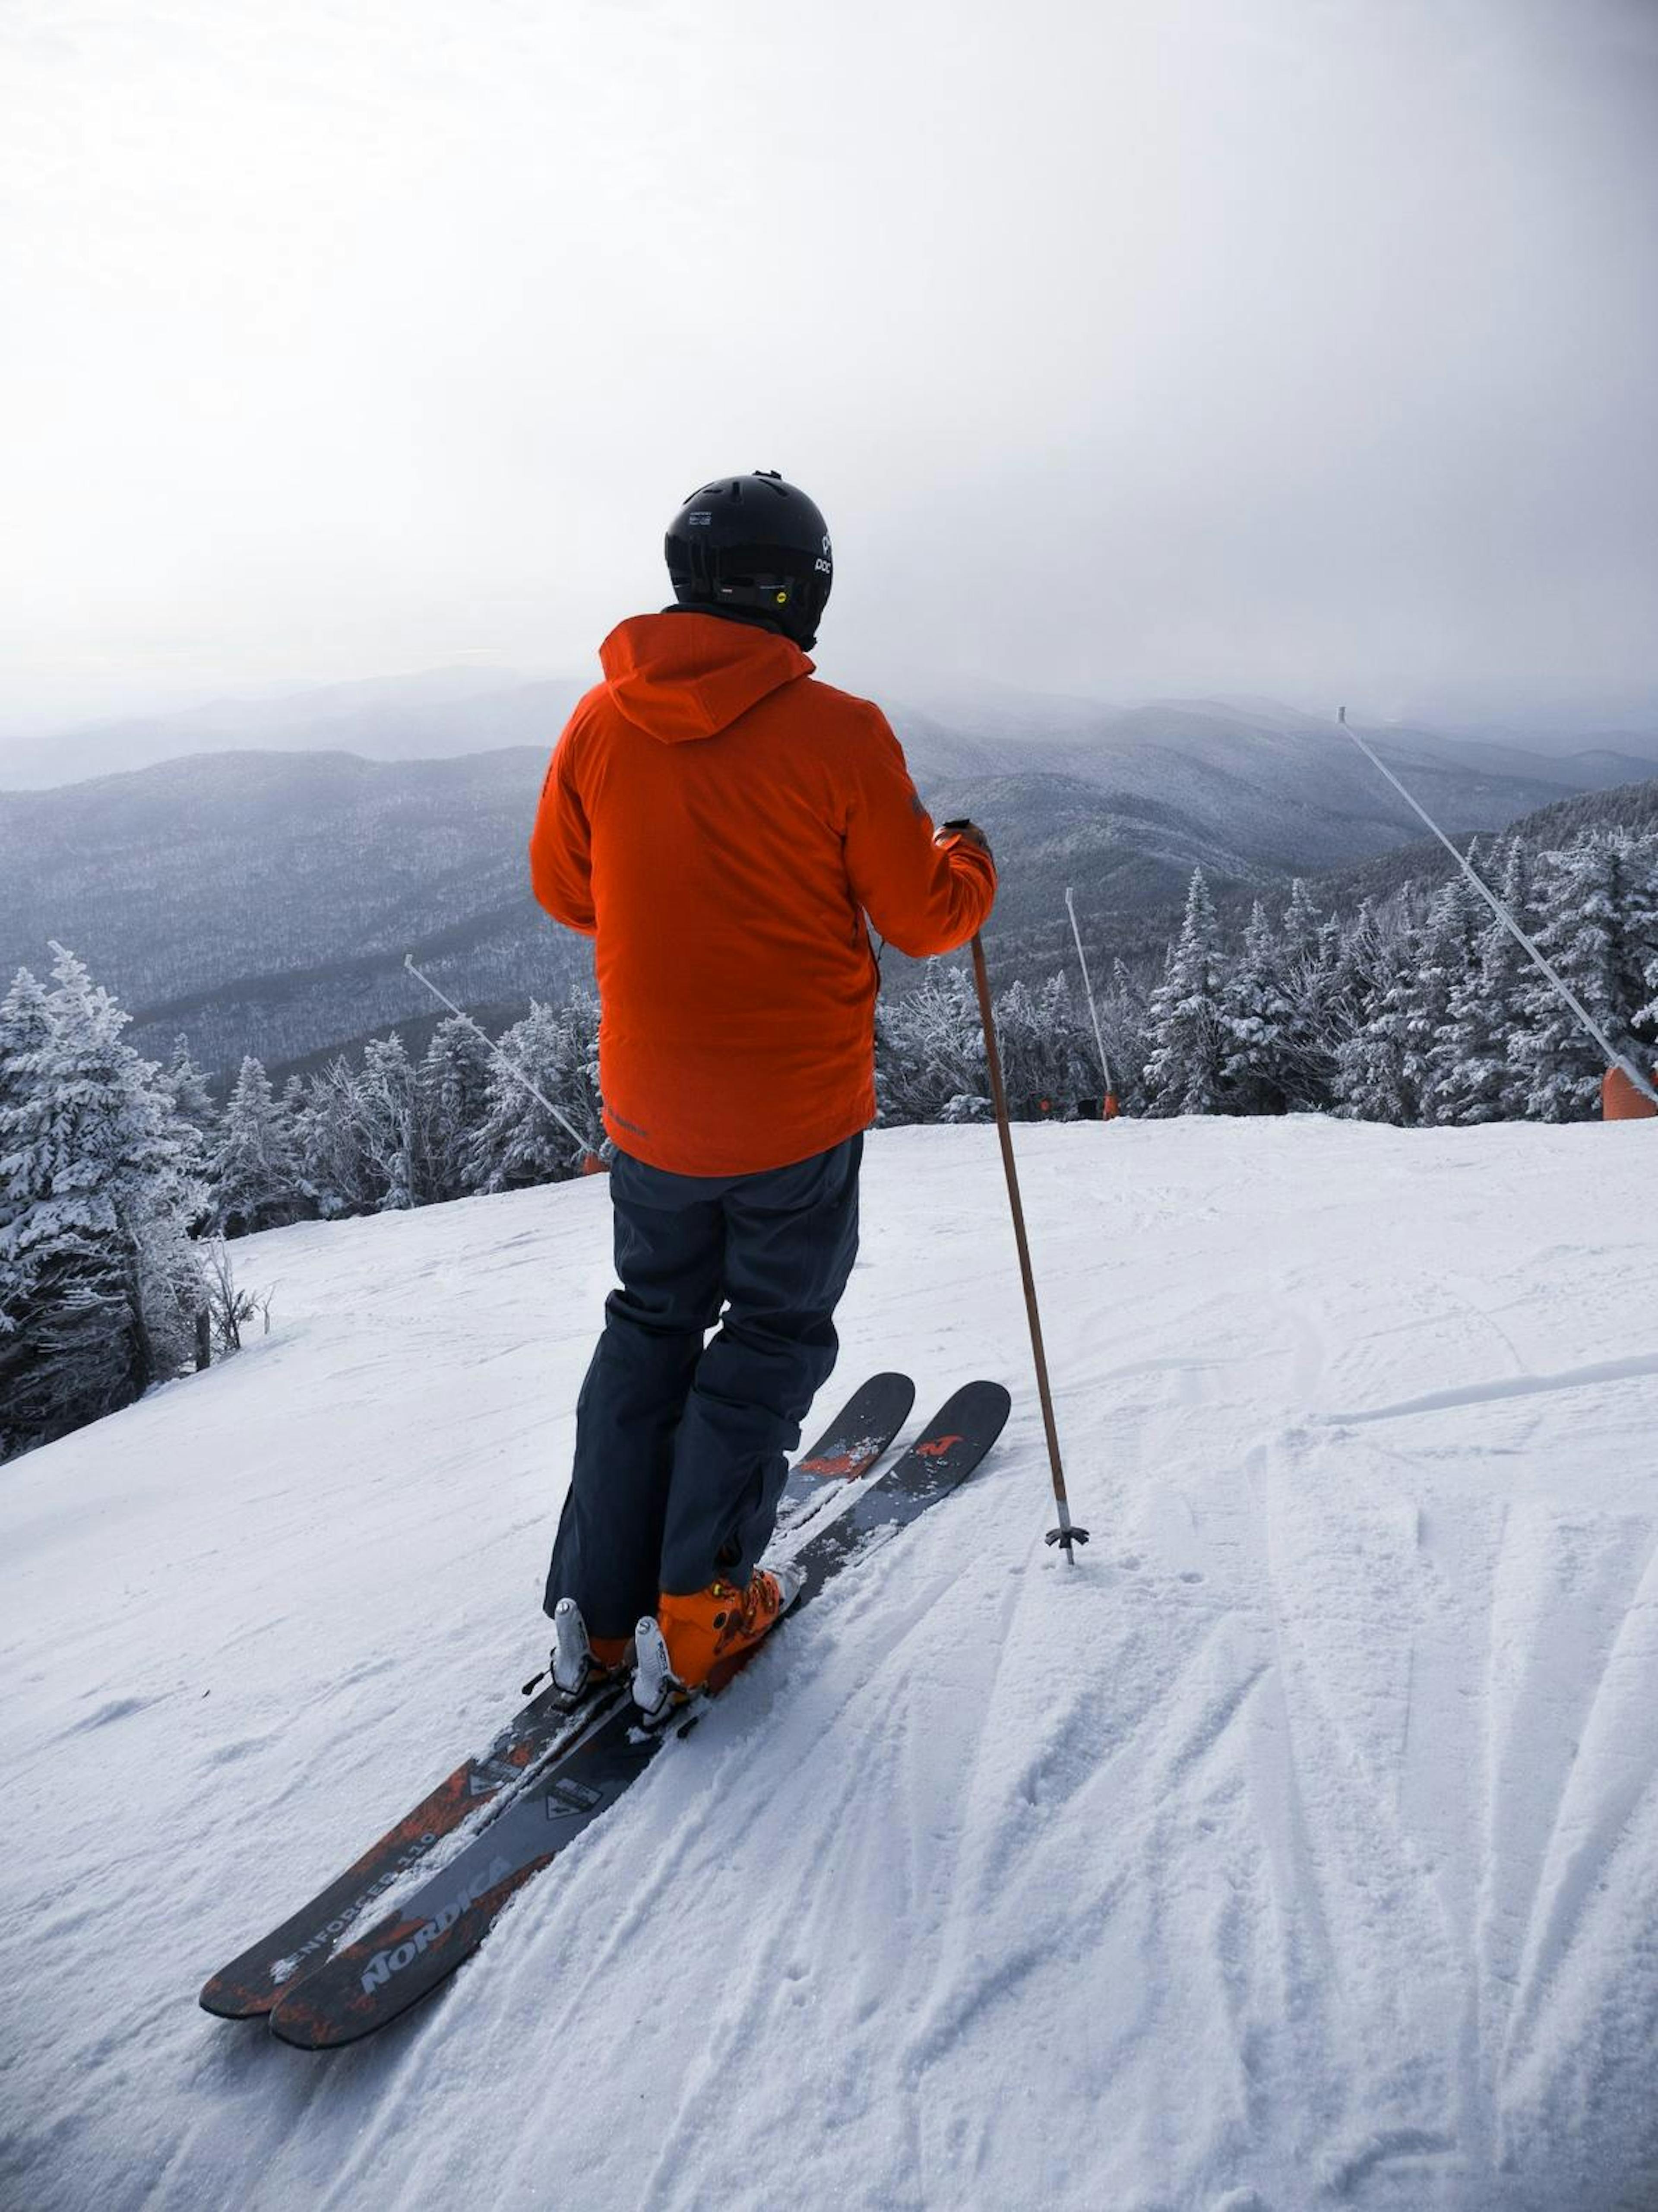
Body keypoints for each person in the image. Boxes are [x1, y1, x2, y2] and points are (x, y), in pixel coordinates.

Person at [528, 469, 996, 1714]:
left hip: (651, 1116)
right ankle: (703, 1599)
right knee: (774, 1334)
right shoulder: (841, 731)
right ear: (802, 590)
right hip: (795, 1116)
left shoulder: (598, 722)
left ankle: (599, 1607)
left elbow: (566, 891)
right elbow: (923, 914)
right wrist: (972, 862)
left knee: (650, 1324)